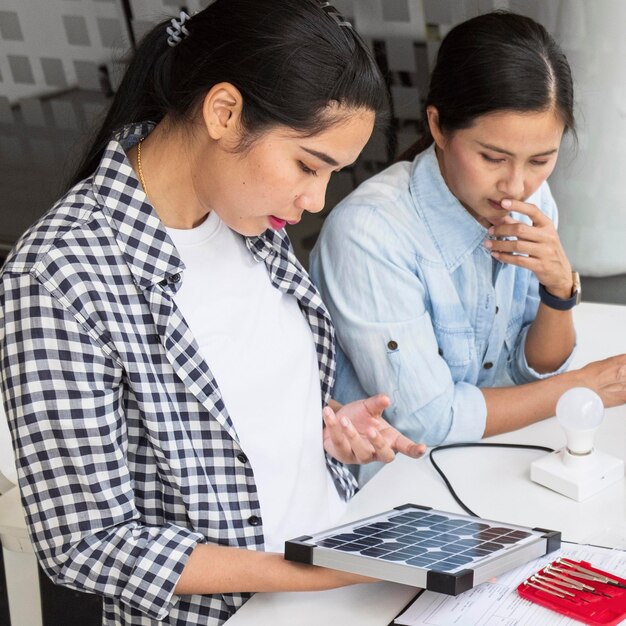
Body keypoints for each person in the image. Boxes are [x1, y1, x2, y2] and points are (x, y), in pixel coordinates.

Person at [0, 2, 426, 624]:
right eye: (309, 165)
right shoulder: (61, 275)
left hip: (347, 587)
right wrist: (319, 573)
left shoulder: (248, 216)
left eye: (332, 173)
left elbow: (225, 407)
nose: (315, 200)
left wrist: (319, 424)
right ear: (224, 113)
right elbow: (86, 544)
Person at [310, 10, 626, 482]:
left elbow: (526, 372)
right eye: (493, 157)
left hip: (488, 465)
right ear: (438, 126)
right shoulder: (370, 233)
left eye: (542, 159)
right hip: (395, 490)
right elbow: (428, 420)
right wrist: (582, 387)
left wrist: (559, 290)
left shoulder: (533, 201)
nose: (517, 185)